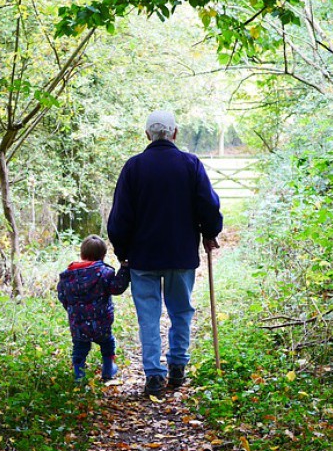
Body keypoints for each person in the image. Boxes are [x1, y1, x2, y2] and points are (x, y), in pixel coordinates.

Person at [107, 109, 223, 397]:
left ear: (147, 134)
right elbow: (208, 205)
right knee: (181, 311)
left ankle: (154, 375)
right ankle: (177, 367)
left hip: (142, 257)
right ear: (175, 133)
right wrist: (210, 232)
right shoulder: (190, 164)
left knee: (148, 316)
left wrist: (122, 252)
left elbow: (120, 217)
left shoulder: (133, 168)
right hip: (180, 254)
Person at [57, 235, 131, 382]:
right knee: (107, 343)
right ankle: (108, 370)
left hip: (78, 322)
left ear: (82, 254)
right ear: (103, 255)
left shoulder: (68, 275)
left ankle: (79, 375)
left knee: (80, 347)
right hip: (101, 321)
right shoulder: (104, 273)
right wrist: (124, 270)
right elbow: (116, 288)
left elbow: (62, 295)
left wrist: (72, 310)